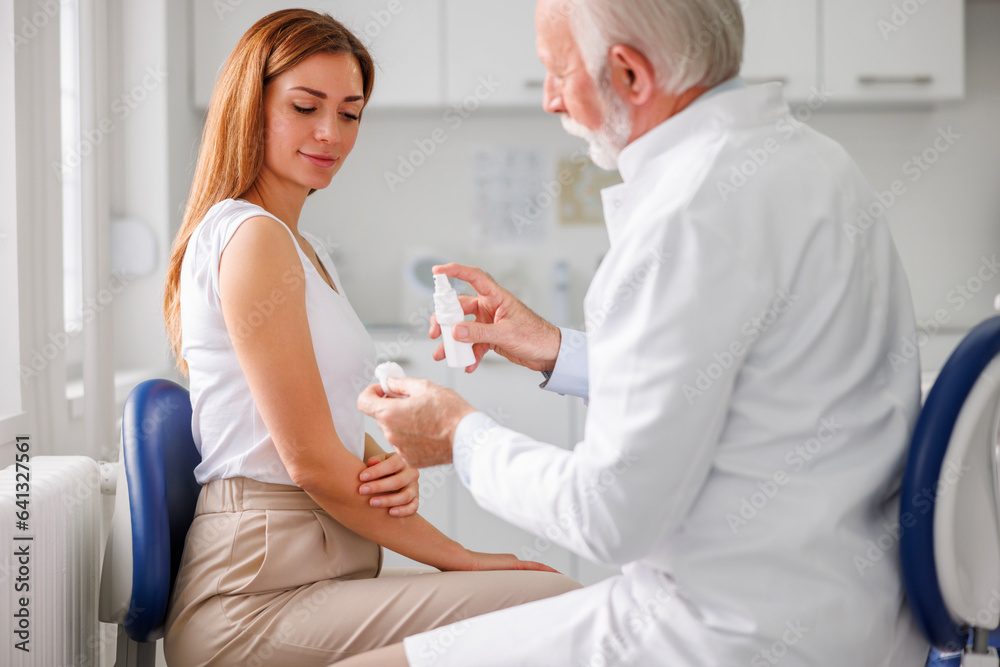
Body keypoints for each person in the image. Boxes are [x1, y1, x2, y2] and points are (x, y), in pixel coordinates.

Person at [354, 0, 932, 664]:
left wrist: (460, 436)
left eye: (556, 71)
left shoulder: (684, 217)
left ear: (628, 75)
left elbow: (609, 516)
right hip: (852, 618)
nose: (548, 99)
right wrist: (553, 347)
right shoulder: (815, 162)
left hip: (727, 634)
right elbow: (735, 382)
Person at [160, 9, 580, 666]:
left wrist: (380, 461)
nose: (331, 133)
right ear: (252, 106)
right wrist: (461, 559)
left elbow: (304, 418)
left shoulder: (299, 246)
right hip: (253, 601)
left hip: (313, 577)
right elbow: (307, 463)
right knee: (554, 604)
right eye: (306, 107)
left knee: (554, 605)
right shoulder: (253, 238)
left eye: (350, 113)